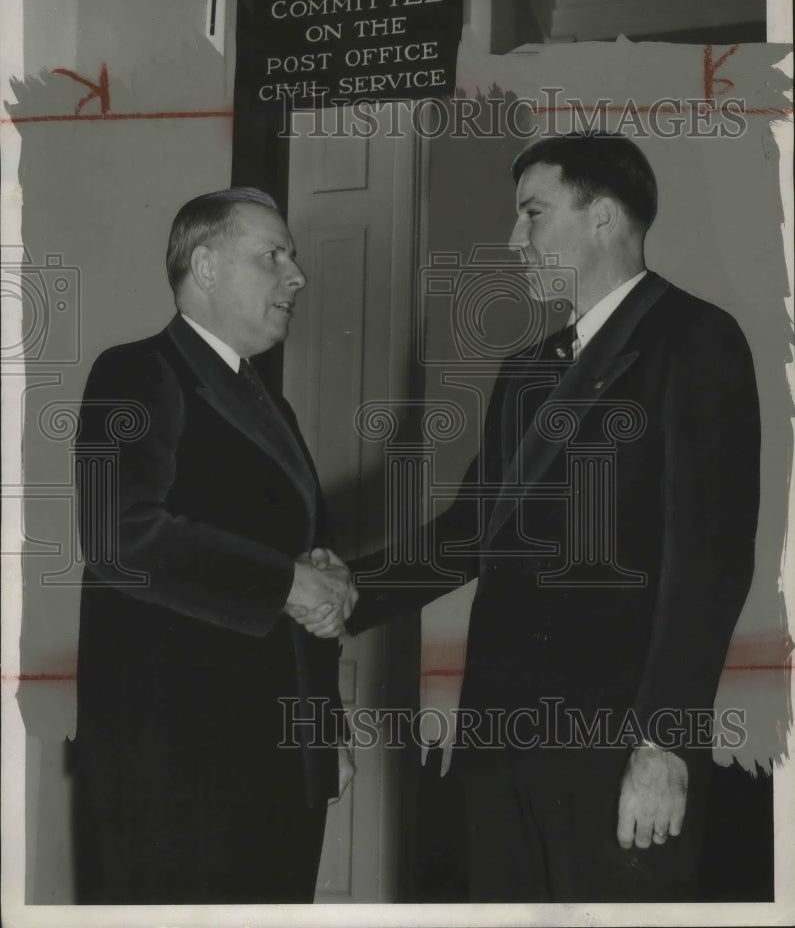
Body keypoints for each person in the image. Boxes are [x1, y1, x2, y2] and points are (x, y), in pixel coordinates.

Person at [312, 133, 761, 901]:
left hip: (615, 750)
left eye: (532, 214)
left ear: (603, 218)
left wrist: (664, 743)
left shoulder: (695, 340)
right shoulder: (526, 367)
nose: (513, 240)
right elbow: (471, 533)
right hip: (499, 743)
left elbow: (709, 562)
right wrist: (347, 588)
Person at [70, 188, 356, 904]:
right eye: (273, 256)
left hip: (278, 762)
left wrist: (325, 727)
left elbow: (293, 561)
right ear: (204, 266)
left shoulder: (268, 402)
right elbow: (120, 536)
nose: (296, 275)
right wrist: (289, 582)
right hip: (177, 773)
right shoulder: (133, 372)